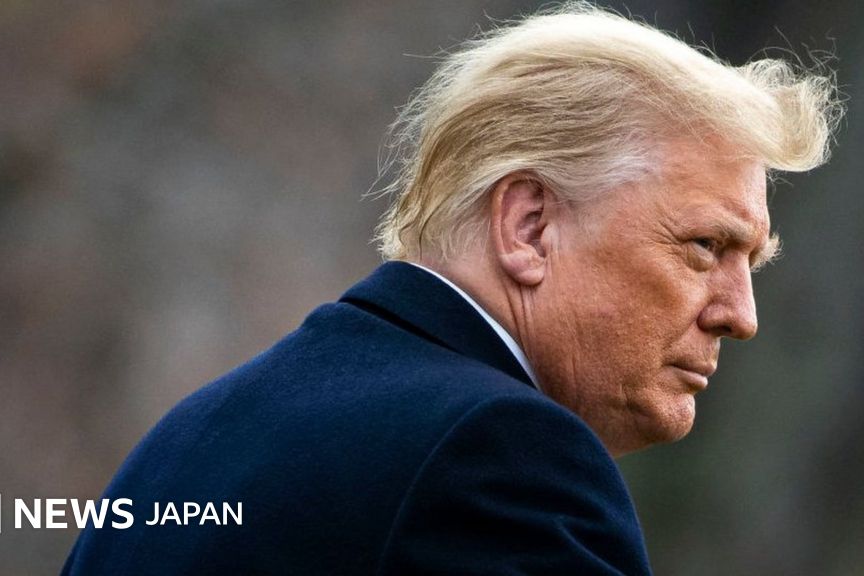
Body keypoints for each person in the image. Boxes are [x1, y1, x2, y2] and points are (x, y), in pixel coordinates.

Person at [62, 4, 838, 574]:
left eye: (753, 262)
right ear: (528, 227)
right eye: (705, 247)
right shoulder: (500, 457)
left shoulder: (191, 435)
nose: (741, 315)